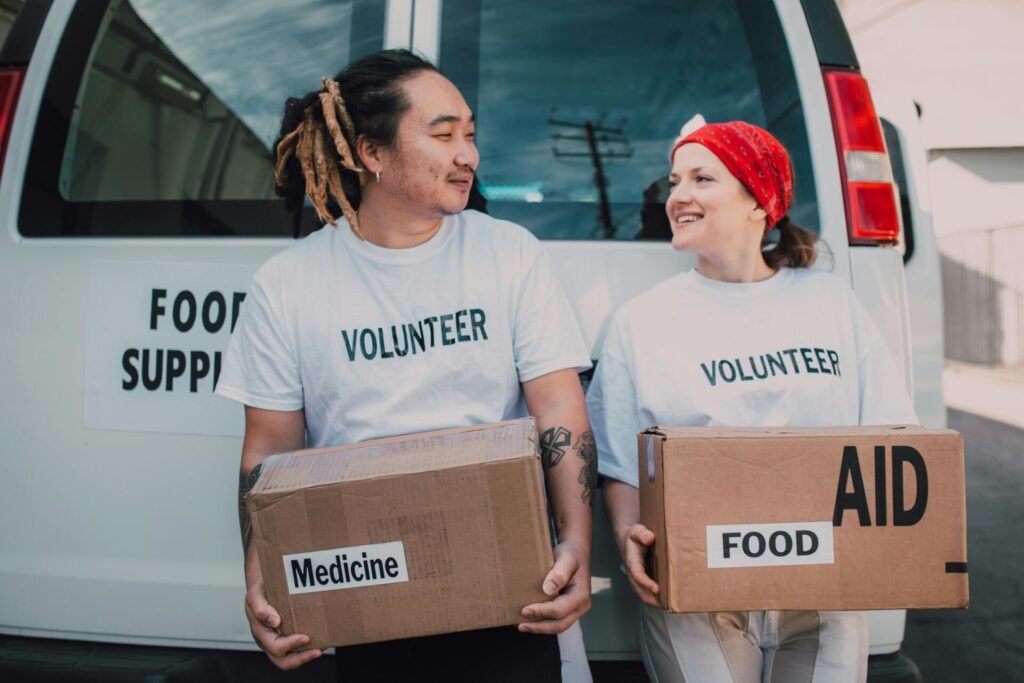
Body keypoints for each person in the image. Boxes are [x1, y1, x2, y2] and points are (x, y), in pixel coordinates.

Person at [216, 49, 595, 682]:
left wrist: (576, 544)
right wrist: (261, 579)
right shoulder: (288, 283)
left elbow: (558, 406)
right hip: (365, 580)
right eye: (443, 135)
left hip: (509, 578)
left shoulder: (509, 254)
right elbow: (268, 453)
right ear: (371, 153)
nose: (467, 155)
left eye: (470, 135)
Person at [587, 119, 918, 683]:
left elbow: (890, 437)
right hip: (697, 592)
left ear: (758, 202)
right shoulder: (641, 322)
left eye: (702, 178)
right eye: (674, 182)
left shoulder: (829, 303)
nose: (679, 196)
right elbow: (619, 463)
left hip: (824, 588)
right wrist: (625, 537)